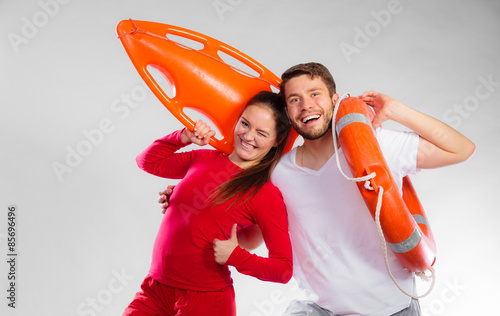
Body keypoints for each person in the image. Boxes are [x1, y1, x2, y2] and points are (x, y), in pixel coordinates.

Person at [159, 63, 475, 316]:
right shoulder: (278, 173)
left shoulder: (377, 146)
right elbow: (252, 237)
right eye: (294, 99)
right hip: (319, 310)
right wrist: (188, 204)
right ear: (288, 111)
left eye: (315, 94)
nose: (305, 105)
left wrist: (396, 110)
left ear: (334, 100)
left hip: (393, 310)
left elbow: (461, 149)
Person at [123, 91, 293, 316]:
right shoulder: (203, 158)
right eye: (245, 123)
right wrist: (183, 136)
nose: (248, 136)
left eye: (262, 133)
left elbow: (283, 270)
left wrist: (236, 256)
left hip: (205, 302)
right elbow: (147, 161)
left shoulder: (265, 194)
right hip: (155, 289)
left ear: (277, 140)